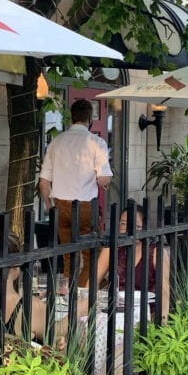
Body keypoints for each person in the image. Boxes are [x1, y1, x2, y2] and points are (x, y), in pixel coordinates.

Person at [0, 219, 71, 345]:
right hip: (13, 358)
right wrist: (79, 309)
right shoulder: (29, 306)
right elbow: (57, 331)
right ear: (17, 261)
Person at [38, 99, 113, 284]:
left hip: (60, 205)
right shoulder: (97, 142)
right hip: (85, 206)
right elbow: (104, 178)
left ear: (71, 118)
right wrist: (99, 179)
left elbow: (43, 182)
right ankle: (83, 290)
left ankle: (68, 290)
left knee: (67, 254)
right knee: (91, 254)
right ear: (90, 119)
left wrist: (50, 206)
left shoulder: (57, 142)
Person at [91, 208, 171, 320]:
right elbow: (93, 280)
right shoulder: (111, 249)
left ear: (144, 228)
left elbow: (164, 291)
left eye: (136, 225)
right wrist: (88, 306)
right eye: (123, 224)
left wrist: (162, 320)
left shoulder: (156, 252)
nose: (128, 229)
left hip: (148, 315)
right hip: (116, 312)